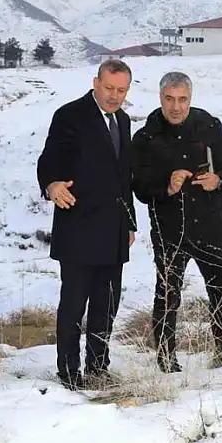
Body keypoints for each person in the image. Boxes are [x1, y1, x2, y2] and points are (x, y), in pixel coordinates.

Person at [37, 59, 137, 390]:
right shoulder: (70, 115)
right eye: (109, 88)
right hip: (79, 227)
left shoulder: (123, 121)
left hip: (115, 230)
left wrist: (131, 221)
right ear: (95, 82)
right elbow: (48, 159)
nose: (114, 96)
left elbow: (125, 177)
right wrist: (51, 185)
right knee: (74, 306)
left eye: (121, 90)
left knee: (106, 305)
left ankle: (97, 366)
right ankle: (68, 371)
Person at [131, 71, 222, 373]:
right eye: (169, 99)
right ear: (160, 98)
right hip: (169, 229)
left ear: (190, 99)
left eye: (182, 100)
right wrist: (166, 186)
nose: (176, 107)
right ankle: (166, 358)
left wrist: (219, 180)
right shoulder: (145, 137)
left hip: (210, 225)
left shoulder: (210, 126)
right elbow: (139, 186)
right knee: (167, 293)